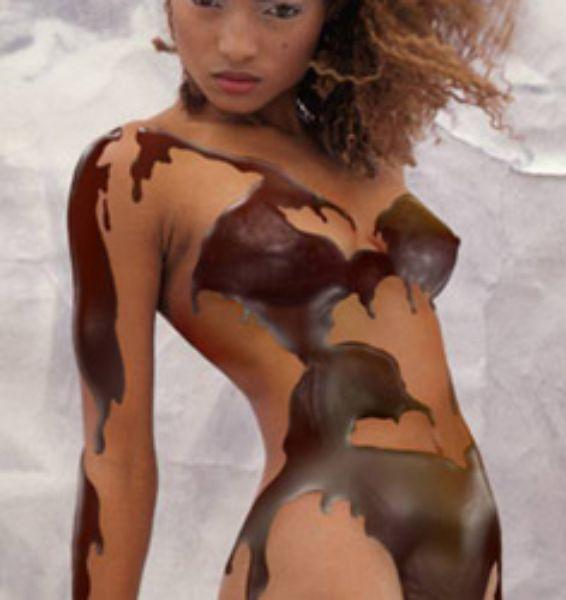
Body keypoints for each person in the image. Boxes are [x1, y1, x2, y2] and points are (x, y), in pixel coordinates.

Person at [67, 0, 520, 598]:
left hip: (466, 525)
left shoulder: (359, 143)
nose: (237, 45)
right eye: (208, 2)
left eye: (280, 9)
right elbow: (117, 458)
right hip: (330, 525)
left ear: (334, 13)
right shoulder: (133, 170)